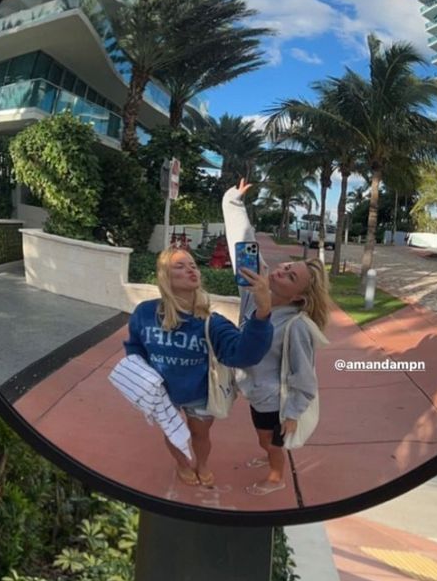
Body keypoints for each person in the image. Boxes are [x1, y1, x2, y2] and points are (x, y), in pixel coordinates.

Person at [122, 247, 273, 487]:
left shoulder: (211, 322)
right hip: (162, 395)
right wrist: (143, 377)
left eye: (192, 265)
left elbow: (245, 354)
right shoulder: (145, 313)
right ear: (165, 276)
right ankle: (183, 464)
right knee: (173, 433)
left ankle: (202, 464)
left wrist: (263, 312)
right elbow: (134, 346)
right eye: (179, 266)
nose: (190, 269)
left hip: (200, 394)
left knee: (200, 435)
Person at [223, 179, 330, 495]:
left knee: (269, 440)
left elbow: (305, 377)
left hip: (275, 401)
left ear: (299, 297)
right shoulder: (253, 290)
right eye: (285, 265)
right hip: (253, 390)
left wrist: (294, 414)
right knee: (263, 438)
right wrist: (234, 202)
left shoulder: (296, 326)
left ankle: (275, 476)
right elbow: (242, 244)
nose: (281, 270)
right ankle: (268, 454)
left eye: (291, 275)